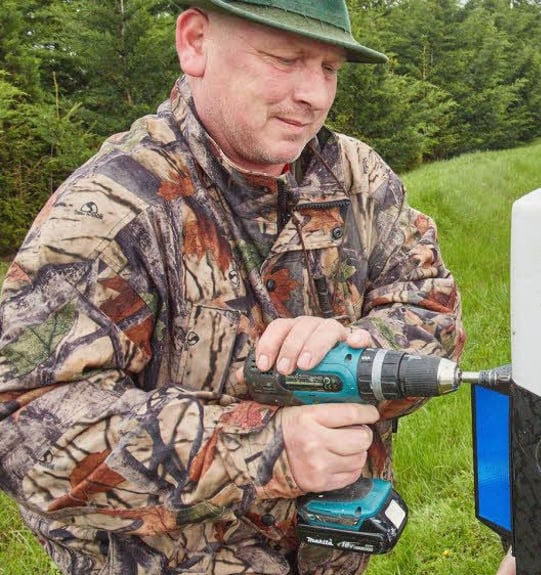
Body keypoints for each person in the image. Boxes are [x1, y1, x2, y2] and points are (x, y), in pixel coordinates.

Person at [0, 1, 464, 574]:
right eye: (286, 59)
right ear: (195, 42)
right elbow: (26, 433)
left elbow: (429, 303)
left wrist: (359, 343)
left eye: (328, 69)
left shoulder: (355, 177)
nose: (314, 94)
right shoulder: (113, 210)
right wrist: (270, 448)